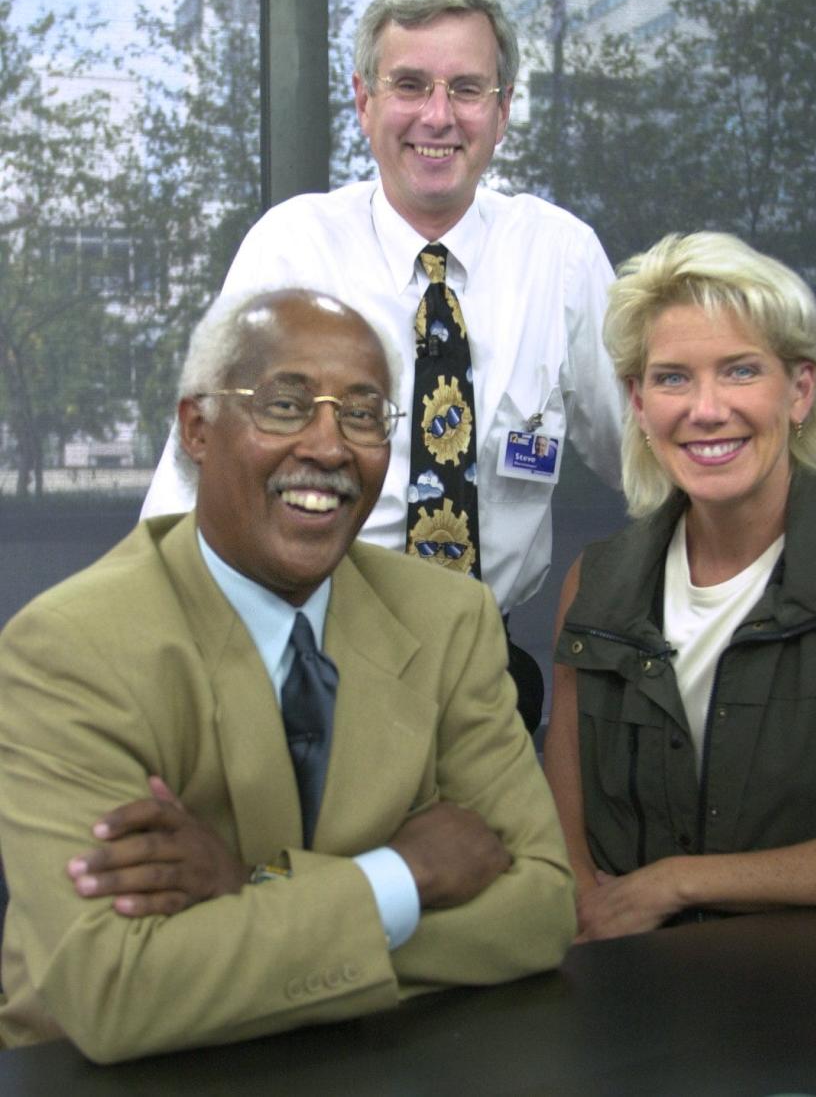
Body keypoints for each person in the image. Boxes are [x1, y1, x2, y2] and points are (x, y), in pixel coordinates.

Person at [0, 288, 576, 1062]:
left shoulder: (450, 619)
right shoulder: (67, 647)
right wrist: (398, 879)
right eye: (285, 405)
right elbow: (117, 987)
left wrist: (245, 887)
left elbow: (540, 907)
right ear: (198, 428)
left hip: (377, 1062)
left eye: (364, 414)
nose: (331, 446)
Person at [140, 0, 622, 733]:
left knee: (478, 852)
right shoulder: (292, 244)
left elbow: (652, 452)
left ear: (502, 110)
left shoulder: (559, 255)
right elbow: (192, 477)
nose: (438, 115)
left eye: (467, 88)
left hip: (476, 672)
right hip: (302, 660)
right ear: (364, 103)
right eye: (409, 85)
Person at [543, 231, 816, 940]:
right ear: (638, 403)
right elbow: (566, 838)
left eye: (739, 371)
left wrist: (678, 881)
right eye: (674, 378)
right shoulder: (597, 582)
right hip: (632, 1001)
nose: (706, 409)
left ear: (799, 391)